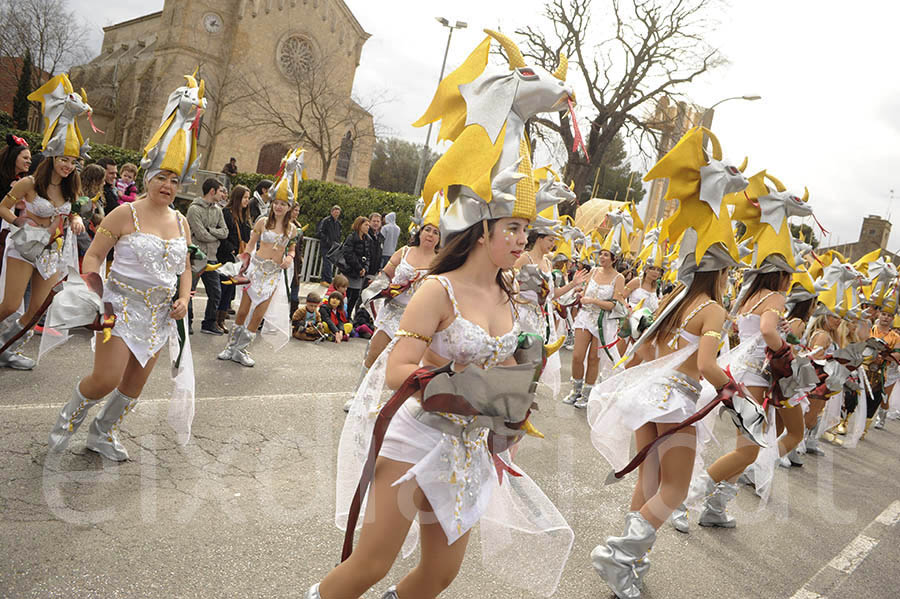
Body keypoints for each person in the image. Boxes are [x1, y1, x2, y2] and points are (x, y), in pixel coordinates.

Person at [312, 30, 574, 599]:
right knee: (372, 563)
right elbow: (396, 369)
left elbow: (512, 377)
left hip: (468, 448)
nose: (523, 239)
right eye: (514, 228)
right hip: (417, 436)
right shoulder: (439, 291)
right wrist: (472, 389)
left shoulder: (513, 298)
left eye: (527, 230)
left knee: (439, 575)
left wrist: (511, 406)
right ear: (482, 230)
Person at [587, 126, 762, 597]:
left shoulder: (674, 301)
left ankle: (632, 564)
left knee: (647, 481)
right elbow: (706, 365)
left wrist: (618, 381)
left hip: (646, 397)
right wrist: (735, 390)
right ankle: (619, 554)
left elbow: (640, 350)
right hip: (678, 401)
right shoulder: (713, 309)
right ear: (722, 271)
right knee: (675, 491)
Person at [46, 70, 202, 460]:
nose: (167, 186)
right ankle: (68, 420)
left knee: (134, 384)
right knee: (106, 378)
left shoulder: (181, 221)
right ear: (148, 177)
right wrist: (100, 295)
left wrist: (185, 297)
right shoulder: (123, 214)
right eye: (162, 178)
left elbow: (184, 266)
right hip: (120, 306)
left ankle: (103, 432)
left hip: (160, 315)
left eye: (175, 181)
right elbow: (93, 256)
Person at [0, 74, 87, 369]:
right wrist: (19, 223)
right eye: (64, 158)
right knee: (11, 304)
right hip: (25, 247)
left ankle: (7, 347)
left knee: (37, 309)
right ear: (51, 156)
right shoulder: (28, 183)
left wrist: (74, 218)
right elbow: (3, 207)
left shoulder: (70, 187)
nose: (68, 165)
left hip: (50, 251)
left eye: (73, 161)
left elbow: (65, 212)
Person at [217, 148, 302, 367]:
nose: (279, 206)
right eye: (276, 202)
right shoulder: (262, 223)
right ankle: (230, 346)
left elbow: (292, 249)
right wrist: (242, 265)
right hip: (255, 270)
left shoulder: (292, 230)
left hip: (273, 275)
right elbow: (250, 248)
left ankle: (242, 349)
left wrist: (289, 258)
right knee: (244, 310)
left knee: (258, 314)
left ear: (289, 206)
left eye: (283, 204)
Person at [565, 241, 625, 409]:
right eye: (601, 254)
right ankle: (575, 390)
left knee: (593, 359)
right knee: (577, 356)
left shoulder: (618, 278)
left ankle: (587, 393)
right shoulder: (593, 271)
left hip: (603, 322)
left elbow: (615, 305)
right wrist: (579, 294)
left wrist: (593, 301)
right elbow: (585, 293)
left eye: (606, 255)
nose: (602, 257)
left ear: (614, 259)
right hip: (585, 317)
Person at [187, 177, 228, 335]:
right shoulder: (194, 209)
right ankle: (187, 321)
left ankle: (209, 323)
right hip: (196, 257)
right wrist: (214, 235)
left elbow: (225, 232)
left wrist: (211, 231)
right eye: (220, 191)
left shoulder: (218, 210)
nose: (222, 194)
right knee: (190, 291)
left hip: (212, 257)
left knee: (216, 291)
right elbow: (200, 234)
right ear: (212, 191)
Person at [216, 184, 251, 332]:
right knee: (222, 288)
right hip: (226, 256)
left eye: (248, 198)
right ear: (237, 198)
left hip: (238, 258)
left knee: (230, 289)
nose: (246, 201)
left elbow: (247, 236)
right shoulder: (227, 213)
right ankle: (214, 319)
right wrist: (231, 250)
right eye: (244, 198)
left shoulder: (245, 216)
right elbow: (225, 235)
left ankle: (221, 319)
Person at [342, 215, 370, 319]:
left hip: (360, 273)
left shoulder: (367, 239)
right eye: (366, 225)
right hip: (350, 271)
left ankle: (348, 316)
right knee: (347, 295)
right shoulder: (351, 237)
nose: (368, 227)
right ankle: (344, 316)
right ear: (359, 225)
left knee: (355, 296)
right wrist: (359, 268)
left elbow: (368, 256)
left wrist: (365, 269)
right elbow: (348, 254)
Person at [316, 204, 342, 285]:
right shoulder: (326, 221)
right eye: (335, 212)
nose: (336, 214)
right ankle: (328, 280)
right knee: (327, 262)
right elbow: (320, 232)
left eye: (338, 212)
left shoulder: (338, 224)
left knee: (329, 263)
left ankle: (324, 279)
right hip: (326, 245)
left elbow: (338, 235)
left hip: (334, 246)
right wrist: (327, 241)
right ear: (331, 212)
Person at [366, 211, 384, 281]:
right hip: (365, 270)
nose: (376, 223)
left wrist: (379, 269)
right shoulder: (366, 235)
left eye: (378, 221)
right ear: (369, 222)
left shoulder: (381, 237)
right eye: (374, 221)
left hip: (374, 272)